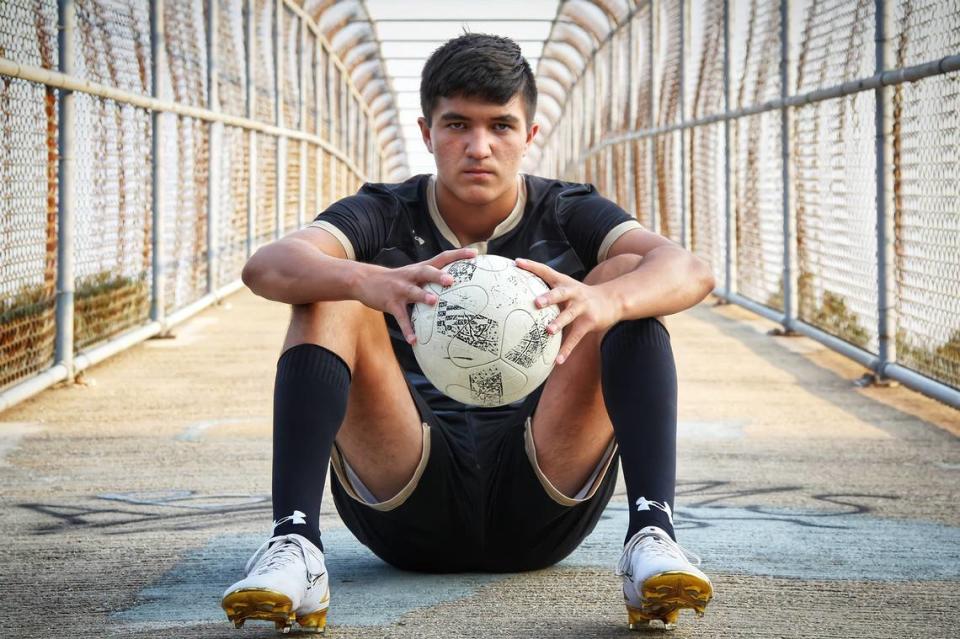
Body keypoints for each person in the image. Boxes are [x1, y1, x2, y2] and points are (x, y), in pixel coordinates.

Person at [221, 33, 716, 634]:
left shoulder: (566, 210)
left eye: (501, 126)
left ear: (530, 137)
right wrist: (368, 280)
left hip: (544, 488)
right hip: (404, 494)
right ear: (426, 132)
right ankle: (295, 545)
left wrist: (603, 297)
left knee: (628, 281)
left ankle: (652, 533)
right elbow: (266, 267)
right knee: (325, 287)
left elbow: (690, 270)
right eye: (457, 124)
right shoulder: (385, 211)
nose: (478, 146)